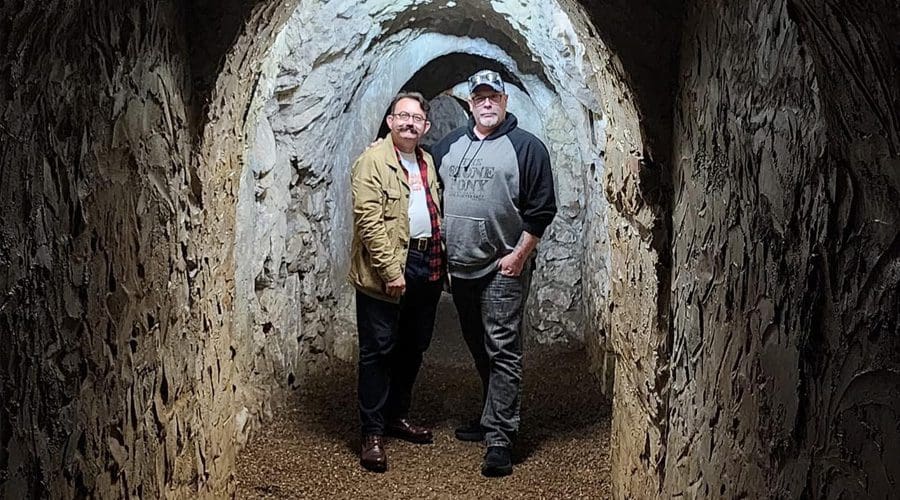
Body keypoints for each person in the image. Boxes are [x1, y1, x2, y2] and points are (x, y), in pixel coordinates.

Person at [431, 69, 557, 477]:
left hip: (502, 266)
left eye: (494, 97)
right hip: (462, 269)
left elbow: (542, 209)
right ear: (469, 103)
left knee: (502, 348)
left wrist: (518, 257)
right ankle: (491, 414)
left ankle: (501, 437)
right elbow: (428, 191)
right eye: (480, 97)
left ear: (505, 102)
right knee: (479, 344)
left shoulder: (527, 148)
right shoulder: (448, 147)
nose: (487, 103)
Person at [348, 91, 445, 473]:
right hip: (386, 268)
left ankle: (396, 415)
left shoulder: (427, 162)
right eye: (401, 116)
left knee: (413, 346)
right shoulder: (372, 161)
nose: (408, 122)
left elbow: (434, 212)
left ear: (425, 126)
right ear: (389, 122)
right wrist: (391, 271)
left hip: (426, 263)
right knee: (379, 350)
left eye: (416, 118)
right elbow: (368, 221)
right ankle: (372, 432)